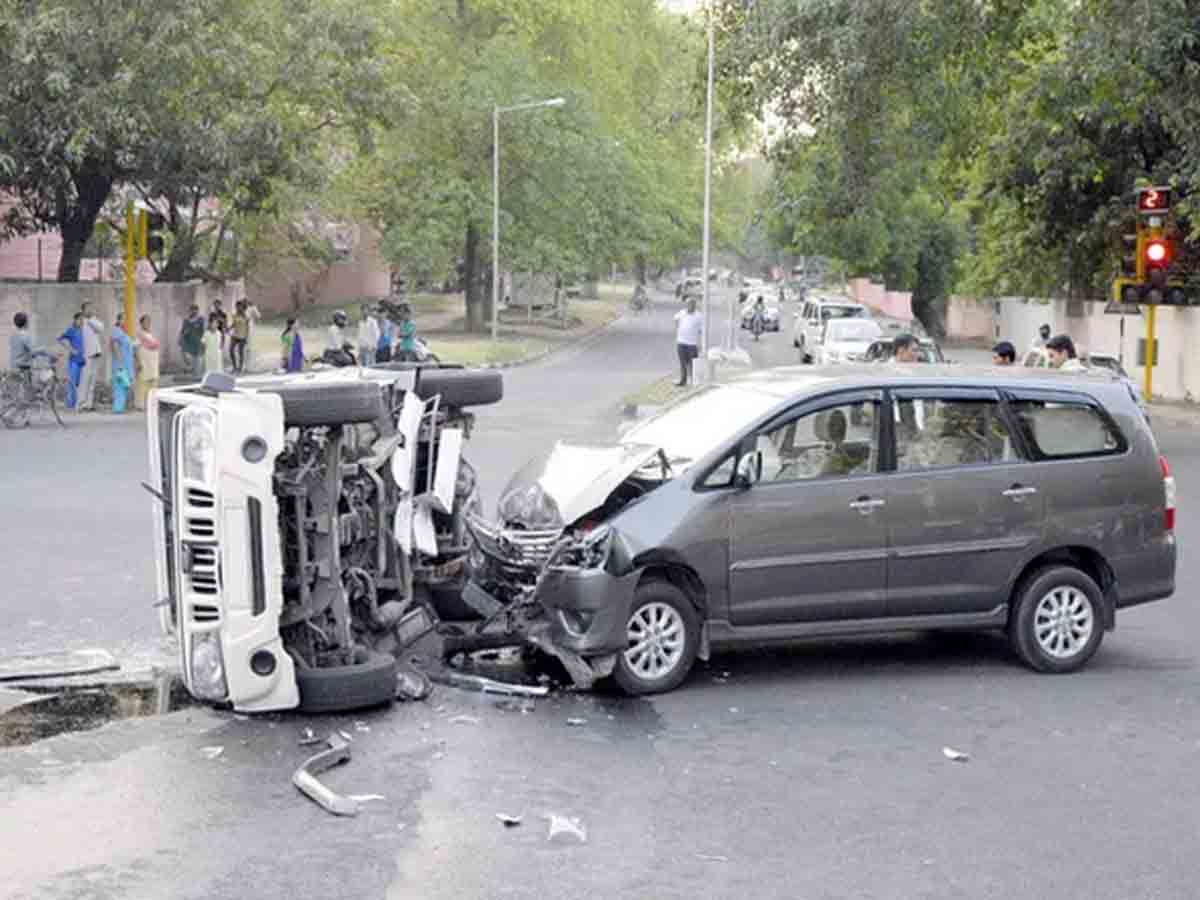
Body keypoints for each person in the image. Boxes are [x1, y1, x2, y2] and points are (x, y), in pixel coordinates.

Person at [8, 312, 56, 404]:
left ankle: (32, 396)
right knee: (44, 371)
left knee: (35, 375)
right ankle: (37, 395)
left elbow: (22, 350)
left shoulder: (13, 336)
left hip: (14, 364)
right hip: (24, 365)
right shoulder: (25, 335)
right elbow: (34, 350)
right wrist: (46, 351)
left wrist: (32, 354)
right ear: (26, 323)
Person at [77, 300, 104, 411]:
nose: (91, 310)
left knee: (92, 380)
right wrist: (88, 319)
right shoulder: (81, 321)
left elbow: (101, 328)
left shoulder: (93, 320)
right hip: (86, 354)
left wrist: (91, 319)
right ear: (83, 310)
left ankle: (89, 404)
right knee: (85, 380)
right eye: (88, 308)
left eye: (91, 308)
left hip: (95, 352)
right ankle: (81, 403)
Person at [56, 313, 87, 410]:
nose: (81, 322)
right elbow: (59, 339)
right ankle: (70, 404)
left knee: (79, 383)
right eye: (80, 320)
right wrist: (70, 349)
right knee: (72, 383)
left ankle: (78, 403)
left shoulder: (83, 330)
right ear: (75, 320)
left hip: (82, 360)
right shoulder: (71, 330)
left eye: (82, 320)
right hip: (74, 360)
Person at [674, 297, 703, 386]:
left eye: (692, 304)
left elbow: (702, 330)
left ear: (695, 306)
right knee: (682, 363)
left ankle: (694, 380)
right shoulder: (682, 313)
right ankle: (683, 380)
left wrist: (700, 343)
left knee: (692, 364)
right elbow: (675, 318)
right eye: (688, 304)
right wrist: (678, 329)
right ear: (686, 305)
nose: (690, 306)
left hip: (692, 344)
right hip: (681, 342)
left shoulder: (699, 316)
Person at [109, 313, 135, 413]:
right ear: (119, 320)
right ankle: (118, 408)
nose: (125, 321)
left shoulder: (123, 333)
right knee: (119, 385)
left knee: (124, 385)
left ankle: (121, 406)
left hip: (126, 363)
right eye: (123, 319)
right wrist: (119, 363)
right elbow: (114, 347)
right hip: (120, 363)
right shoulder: (116, 332)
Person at [134, 314, 161, 410]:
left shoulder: (151, 335)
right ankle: (140, 404)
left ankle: (152, 404)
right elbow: (136, 349)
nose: (147, 323)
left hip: (153, 364)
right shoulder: (140, 335)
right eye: (145, 322)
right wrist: (138, 362)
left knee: (153, 384)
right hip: (144, 363)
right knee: (142, 383)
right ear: (141, 323)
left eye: (149, 322)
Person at [179, 305, 205, 378]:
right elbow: (183, 330)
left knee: (196, 357)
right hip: (189, 341)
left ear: (198, 311)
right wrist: (182, 337)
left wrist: (203, 340)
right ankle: (192, 370)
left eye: (195, 310)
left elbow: (203, 330)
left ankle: (196, 373)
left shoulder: (201, 319)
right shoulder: (186, 320)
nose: (194, 311)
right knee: (185, 355)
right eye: (192, 310)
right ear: (190, 311)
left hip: (197, 341)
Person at [228, 301, 250, 374]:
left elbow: (247, 327)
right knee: (231, 350)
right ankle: (234, 367)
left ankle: (240, 368)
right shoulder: (234, 315)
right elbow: (234, 324)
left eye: (239, 306)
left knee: (240, 352)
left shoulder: (246, 316)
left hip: (242, 336)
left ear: (242, 307)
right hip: (235, 335)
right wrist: (229, 328)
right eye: (237, 306)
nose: (238, 308)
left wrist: (246, 337)